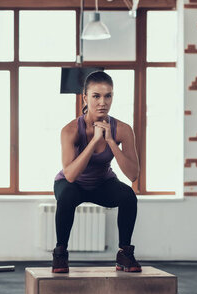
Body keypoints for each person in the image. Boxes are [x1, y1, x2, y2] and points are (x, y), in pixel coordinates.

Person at [53, 71, 141, 274]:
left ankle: (124, 253)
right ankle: (60, 253)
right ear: (85, 97)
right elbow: (71, 175)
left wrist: (110, 140)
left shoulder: (123, 130)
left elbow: (133, 174)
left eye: (108, 95)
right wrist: (94, 141)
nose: (103, 102)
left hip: (102, 183)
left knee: (128, 196)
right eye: (96, 96)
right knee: (67, 195)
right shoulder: (70, 130)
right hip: (72, 184)